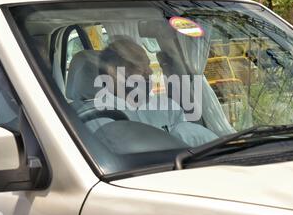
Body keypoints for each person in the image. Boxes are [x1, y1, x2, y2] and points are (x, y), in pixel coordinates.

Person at [86, 38, 218, 147]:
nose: (149, 72)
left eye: (148, 65)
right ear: (114, 72)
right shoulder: (96, 117)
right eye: (138, 66)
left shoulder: (167, 106)